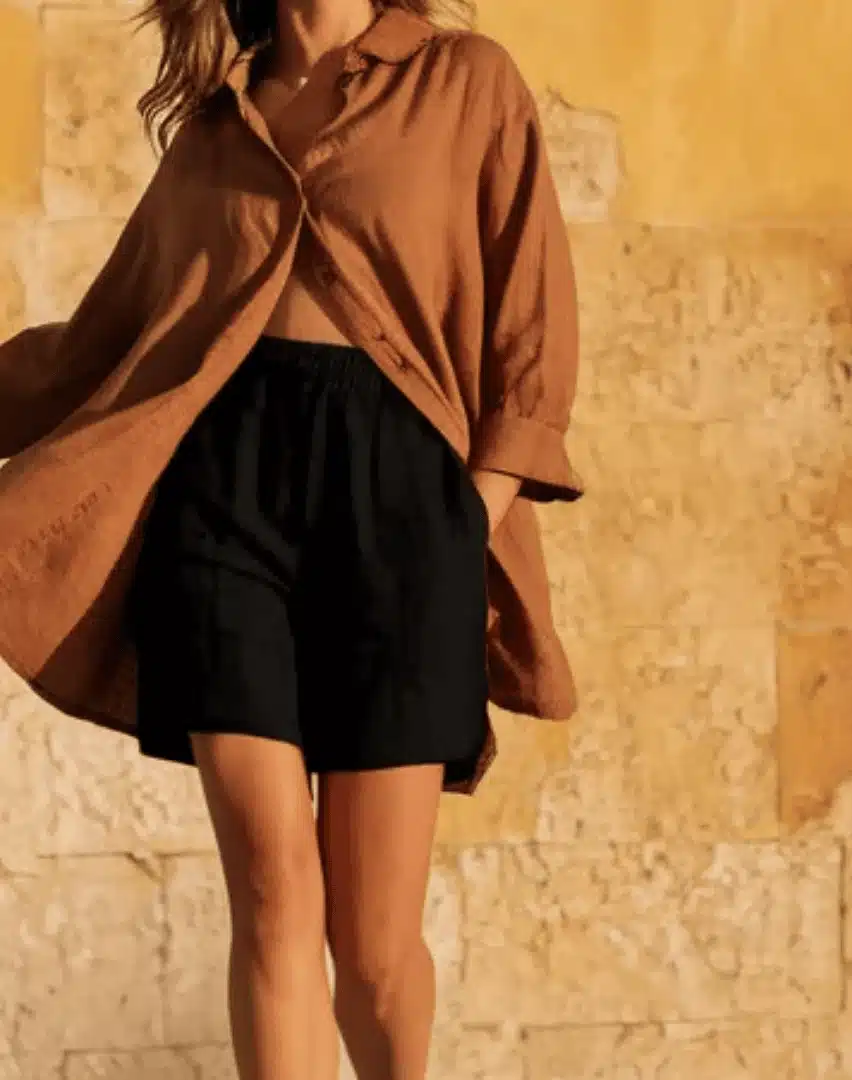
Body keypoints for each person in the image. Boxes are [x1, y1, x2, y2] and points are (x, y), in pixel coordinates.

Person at [0, 0, 582, 1076]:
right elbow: (102, 341)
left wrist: (472, 518)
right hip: (223, 507)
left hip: (404, 510)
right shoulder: (219, 123)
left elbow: (531, 322)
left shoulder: (465, 81)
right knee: (272, 893)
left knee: (367, 946)